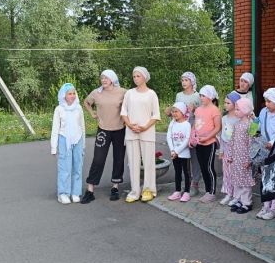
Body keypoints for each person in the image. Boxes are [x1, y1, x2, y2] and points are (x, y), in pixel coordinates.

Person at [81, 70, 126, 204]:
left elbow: (132, 103)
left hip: (120, 130)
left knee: (119, 159)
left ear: (113, 79)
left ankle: (115, 188)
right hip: (103, 130)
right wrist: (92, 114)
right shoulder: (96, 93)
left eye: (106, 78)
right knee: (98, 159)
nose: (104, 80)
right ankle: (90, 190)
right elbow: (86, 102)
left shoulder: (123, 92)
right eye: (102, 78)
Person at [120, 67, 161, 203]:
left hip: (147, 132)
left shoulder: (151, 94)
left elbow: (155, 115)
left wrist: (144, 127)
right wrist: (130, 125)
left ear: (145, 77)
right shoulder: (129, 93)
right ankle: (135, 191)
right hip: (131, 132)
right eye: (134, 76)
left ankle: (148, 189)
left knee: (148, 162)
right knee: (133, 163)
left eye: (138, 76)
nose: (135, 78)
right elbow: (124, 112)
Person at [51, 83, 85, 204]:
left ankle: (75, 192)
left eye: (73, 93)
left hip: (78, 139)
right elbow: (55, 129)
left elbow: (82, 127)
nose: (72, 96)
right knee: (64, 168)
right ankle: (63, 193)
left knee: (77, 167)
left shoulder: (79, 108)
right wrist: (53, 148)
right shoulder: (59, 109)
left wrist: (83, 145)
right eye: (69, 94)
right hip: (64, 139)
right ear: (63, 95)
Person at [172, 72, 203, 196]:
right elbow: (176, 111)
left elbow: (202, 113)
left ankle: (195, 183)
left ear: (192, 82)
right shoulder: (179, 95)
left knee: (194, 158)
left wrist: (195, 109)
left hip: (193, 130)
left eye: (186, 80)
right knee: (183, 157)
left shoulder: (197, 96)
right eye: (182, 80)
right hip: (181, 131)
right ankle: (185, 183)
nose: (184, 82)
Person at [256, 87, 275, 220]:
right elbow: (260, 127)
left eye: (269, 102)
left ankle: (274, 208)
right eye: (266, 101)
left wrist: (273, 143)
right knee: (265, 178)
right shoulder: (263, 112)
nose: (266, 104)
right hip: (264, 149)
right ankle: (266, 205)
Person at [226, 98, 256, 214]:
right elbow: (232, 141)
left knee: (245, 181)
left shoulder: (251, 125)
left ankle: (247, 203)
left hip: (245, 158)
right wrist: (230, 155)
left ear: (245, 110)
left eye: (238, 109)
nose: (236, 111)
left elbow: (252, 143)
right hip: (236, 158)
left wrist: (249, 159)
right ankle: (239, 200)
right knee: (237, 180)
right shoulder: (237, 124)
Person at [193, 85, 223, 202]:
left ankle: (212, 192)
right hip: (199, 143)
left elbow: (217, 127)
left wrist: (207, 138)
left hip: (209, 143)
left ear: (210, 97)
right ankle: (207, 190)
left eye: (203, 95)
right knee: (202, 167)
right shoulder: (198, 109)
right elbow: (196, 125)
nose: (201, 97)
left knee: (209, 167)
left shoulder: (214, 110)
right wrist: (194, 136)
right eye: (200, 95)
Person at [166, 102, 192, 202]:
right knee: (177, 172)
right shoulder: (172, 123)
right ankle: (177, 191)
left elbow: (187, 139)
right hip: (174, 154)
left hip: (184, 154)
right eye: (172, 111)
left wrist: (177, 151)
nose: (174, 113)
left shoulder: (187, 124)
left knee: (186, 173)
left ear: (182, 112)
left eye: (176, 111)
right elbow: (169, 136)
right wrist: (172, 150)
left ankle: (186, 192)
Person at [219, 92, 241, 206]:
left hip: (237, 150)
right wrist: (221, 150)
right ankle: (228, 193)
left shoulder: (240, 118)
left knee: (235, 172)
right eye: (225, 102)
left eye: (228, 103)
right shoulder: (224, 118)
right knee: (226, 172)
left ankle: (237, 195)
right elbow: (222, 135)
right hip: (227, 149)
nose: (225, 105)